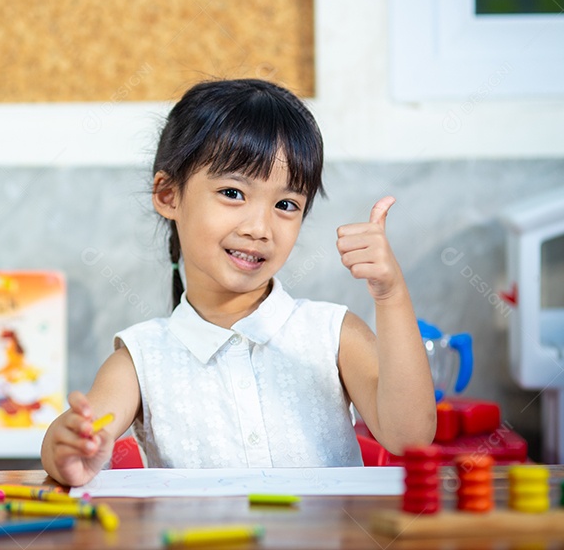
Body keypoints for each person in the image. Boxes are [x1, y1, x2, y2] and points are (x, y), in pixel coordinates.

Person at [41, 78, 436, 486]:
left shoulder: (332, 333)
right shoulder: (141, 358)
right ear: (168, 195)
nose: (259, 227)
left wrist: (390, 294)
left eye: (285, 204)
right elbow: (78, 439)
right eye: (232, 192)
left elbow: (410, 437)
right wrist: (69, 449)